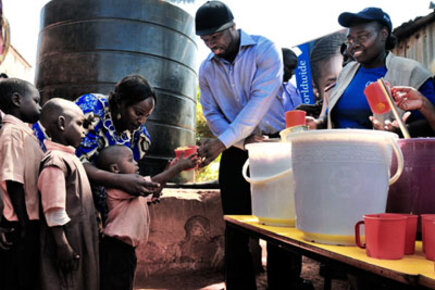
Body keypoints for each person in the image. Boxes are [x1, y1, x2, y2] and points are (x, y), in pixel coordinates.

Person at [195, 2, 310, 289]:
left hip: (274, 148)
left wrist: (223, 142)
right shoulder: (206, 69)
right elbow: (211, 113)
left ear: (233, 26)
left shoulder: (264, 50)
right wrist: (240, 144)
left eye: (216, 36)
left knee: (279, 226)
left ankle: (284, 286)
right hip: (237, 154)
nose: (211, 44)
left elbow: (259, 103)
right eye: (205, 40)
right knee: (235, 227)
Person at [33, 74, 160, 223]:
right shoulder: (91, 109)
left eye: (147, 116)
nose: (142, 121)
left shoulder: (139, 137)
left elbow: (128, 172)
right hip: (57, 182)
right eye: (138, 113)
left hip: (97, 194)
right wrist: (121, 180)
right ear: (120, 103)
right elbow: (73, 160)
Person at [309, 7, 435, 134]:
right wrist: (316, 123)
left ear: (383, 34)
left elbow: (431, 121)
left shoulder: (411, 72)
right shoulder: (346, 72)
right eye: (350, 40)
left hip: (387, 152)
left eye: (362, 37)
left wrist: (403, 130)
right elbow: (330, 115)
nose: (354, 44)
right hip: (340, 151)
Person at [97, 145, 198, 290]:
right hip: (115, 249)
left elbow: (154, 190)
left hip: (125, 249)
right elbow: (150, 185)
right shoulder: (118, 187)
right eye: (131, 160)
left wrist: (167, 171)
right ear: (115, 169)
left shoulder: (134, 189)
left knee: (124, 283)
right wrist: (177, 169)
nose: (136, 163)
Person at [37, 98, 99, 290]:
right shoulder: (56, 161)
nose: (84, 130)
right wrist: (62, 244)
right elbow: (53, 207)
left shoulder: (70, 158)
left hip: (79, 235)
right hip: (67, 240)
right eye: (79, 123)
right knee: (66, 282)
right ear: (62, 123)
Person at [0, 78, 43, 289]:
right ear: (17, 100)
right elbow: (13, 179)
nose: (40, 107)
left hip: (29, 218)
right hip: (19, 221)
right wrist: (23, 221)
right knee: (17, 277)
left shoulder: (26, 133)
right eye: (36, 101)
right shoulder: (12, 133)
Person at [282, 48, 302, 112]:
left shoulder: (292, 88)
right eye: (290, 68)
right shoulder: (264, 91)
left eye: (294, 69)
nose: (293, 73)